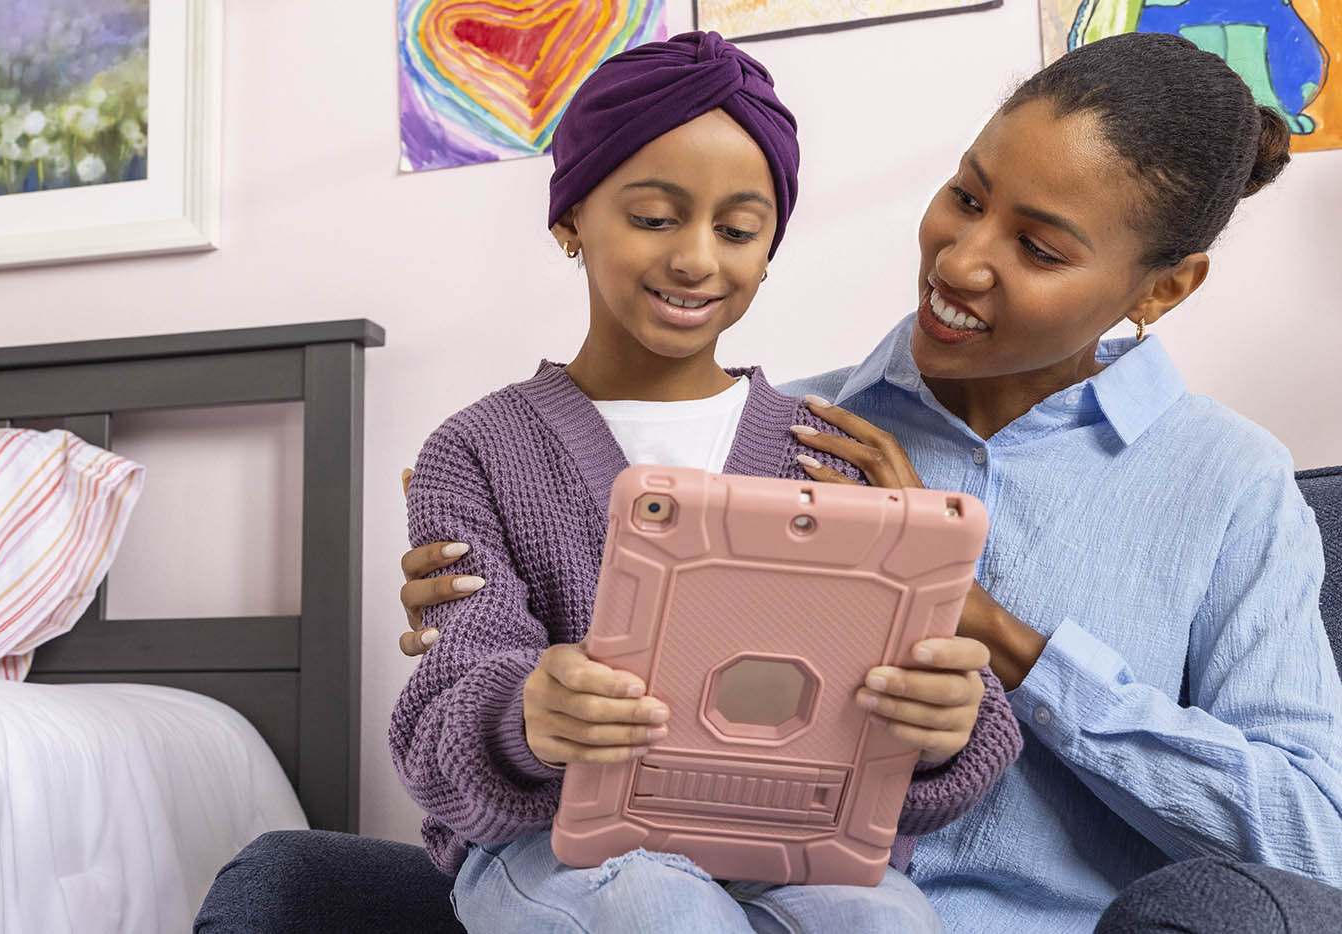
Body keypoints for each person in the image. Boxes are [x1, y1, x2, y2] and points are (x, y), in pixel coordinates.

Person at [396, 30, 1342, 933]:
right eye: (966, 196)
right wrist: (499, 654)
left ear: (1162, 289)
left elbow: (1317, 841)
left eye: (1040, 249)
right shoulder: (811, 437)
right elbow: (505, 652)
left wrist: (1005, 642)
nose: (961, 261)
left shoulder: (1230, 484)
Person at [385, 31, 1022, 934]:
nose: (696, 259)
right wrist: (528, 715)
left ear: (769, 250)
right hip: (553, 844)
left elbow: (941, 715)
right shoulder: (475, 452)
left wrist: (947, 723)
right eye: (654, 218)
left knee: (887, 921)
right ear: (570, 220)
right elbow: (445, 708)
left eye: (737, 230)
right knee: (661, 909)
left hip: (786, 842)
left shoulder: (829, 454)